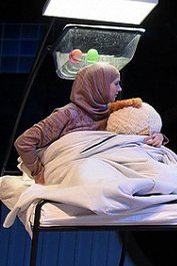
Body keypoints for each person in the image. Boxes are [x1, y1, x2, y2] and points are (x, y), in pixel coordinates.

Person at [13, 62, 165, 185]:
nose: (120, 89)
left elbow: (133, 136)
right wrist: (40, 175)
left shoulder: (114, 113)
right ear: (99, 85)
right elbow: (24, 143)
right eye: (116, 83)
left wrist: (158, 137)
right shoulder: (67, 115)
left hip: (109, 173)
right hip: (76, 176)